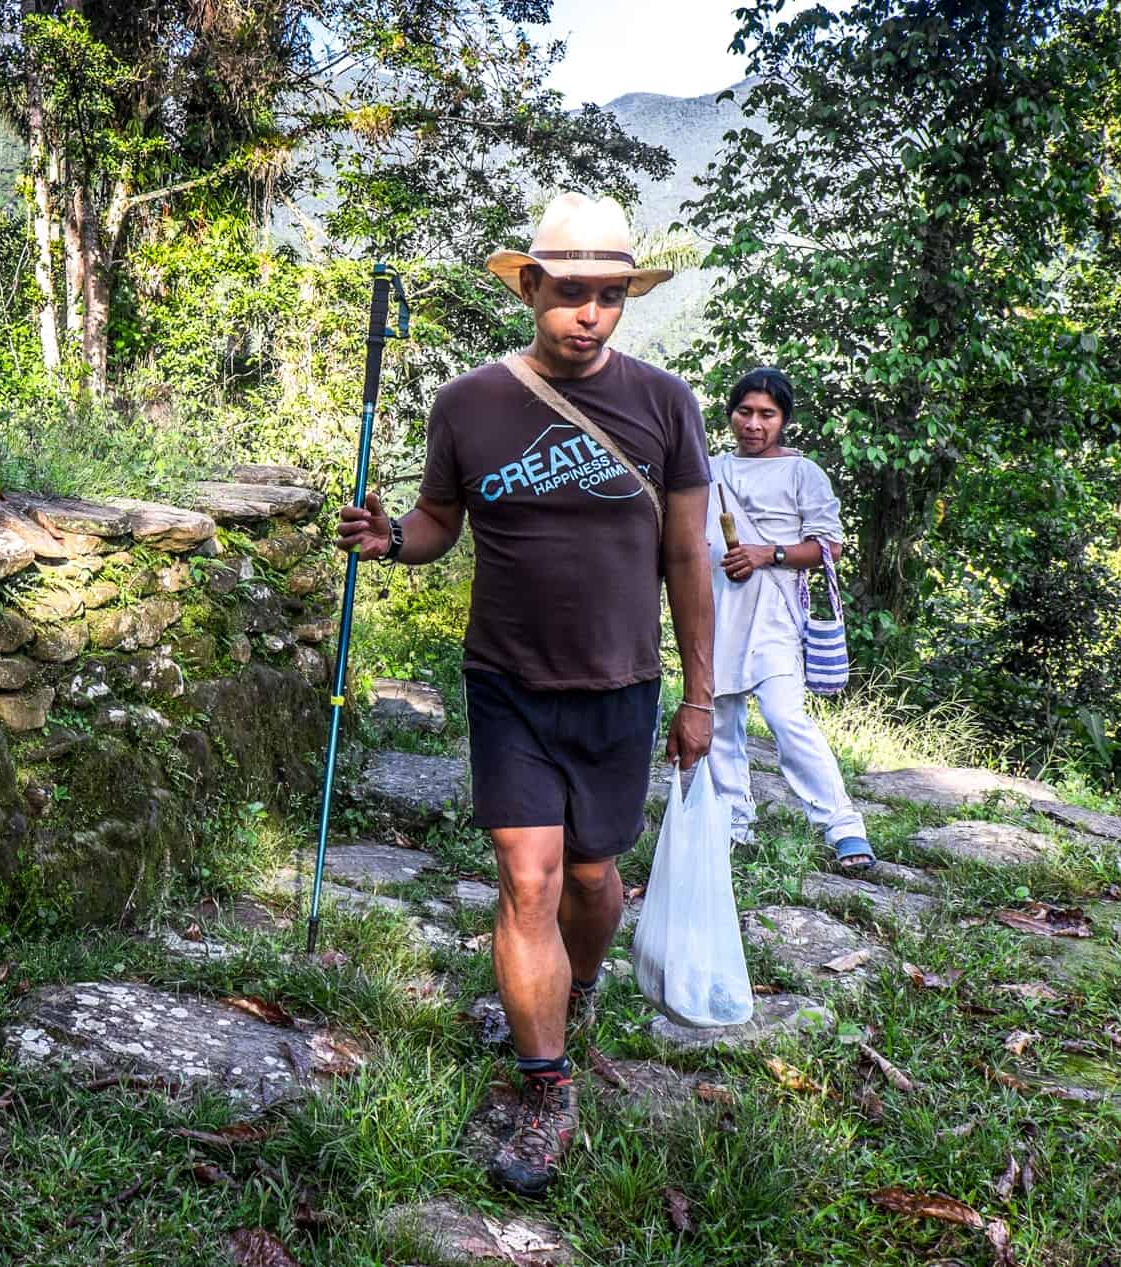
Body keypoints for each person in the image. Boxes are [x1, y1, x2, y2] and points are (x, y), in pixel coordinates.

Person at [337, 192, 716, 1198]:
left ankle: (574, 987)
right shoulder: (467, 405)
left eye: (611, 296)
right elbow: (435, 521)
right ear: (530, 288)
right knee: (531, 884)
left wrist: (701, 697)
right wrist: (389, 542)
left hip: (622, 687)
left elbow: (686, 551)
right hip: (505, 681)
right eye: (572, 293)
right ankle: (543, 1084)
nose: (590, 313)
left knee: (595, 883)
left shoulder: (666, 403)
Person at [708, 366, 873, 871]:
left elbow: (829, 547)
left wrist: (766, 554)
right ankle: (734, 822)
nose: (752, 424)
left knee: (785, 716)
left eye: (766, 415)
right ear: (730, 413)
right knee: (720, 720)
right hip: (715, 608)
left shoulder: (803, 473)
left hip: (773, 613)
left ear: (784, 421)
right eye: (744, 412)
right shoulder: (711, 467)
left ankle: (843, 825)